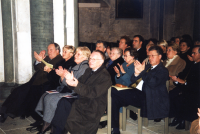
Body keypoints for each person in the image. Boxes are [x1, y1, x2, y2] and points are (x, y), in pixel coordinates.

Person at [111, 46, 169, 134]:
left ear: (160, 56)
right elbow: (134, 80)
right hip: (137, 93)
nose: (150, 58)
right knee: (114, 95)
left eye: (153, 56)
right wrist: (136, 73)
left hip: (148, 97)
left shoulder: (163, 70)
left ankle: (113, 124)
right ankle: (115, 129)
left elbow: (152, 83)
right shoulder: (147, 66)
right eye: (149, 56)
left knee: (114, 93)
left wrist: (142, 72)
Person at [51, 50, 112, 134]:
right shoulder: (89, 71)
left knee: (66, 109)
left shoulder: (105, 76)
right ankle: (57, 131)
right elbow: (78, 83)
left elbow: (93, 92)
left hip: (93, 104)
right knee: (63, 102)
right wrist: (69, 80)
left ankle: (59, 131)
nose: (90, 61)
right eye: (90, 58)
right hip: (83, 99)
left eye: (94, 59)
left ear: (101, 62)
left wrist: (76, 84)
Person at [0, 43, 63, 123]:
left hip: (45, 83)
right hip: (35, 81)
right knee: (17, 91)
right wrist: (37, 61)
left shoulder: (60, 59)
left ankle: (4, 113)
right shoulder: (47, 57)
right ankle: (5, 111)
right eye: (48, 50)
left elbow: (48, 67)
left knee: (21, 92)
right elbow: (36, 67)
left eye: (51, 50)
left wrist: (41, 61)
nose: (49, 52)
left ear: (57, 51)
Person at [35, 46, 91, 134]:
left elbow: (73, 84)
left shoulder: (84, 67)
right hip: (68, 89)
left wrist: (62, 76)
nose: (75, 56)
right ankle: (46, 124)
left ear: (85, 57)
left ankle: (52, 128)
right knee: (46, 95)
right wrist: (61, 75)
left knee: (51, 99)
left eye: (78, 54)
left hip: (75, 93)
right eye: (75, 53)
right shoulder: (78, 65)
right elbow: (63, 81)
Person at [24, 45, 76, 127]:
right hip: (55, 83)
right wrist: (47, 68)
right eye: (63, 51)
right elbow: (54, 74)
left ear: (71, 54)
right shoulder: (61, 62)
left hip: (61, 86)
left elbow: (59, 77)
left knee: (44, 93)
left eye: (65, 52)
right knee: (34, 92)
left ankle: (45, 120)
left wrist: (51, 71)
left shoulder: (72, 63)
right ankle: (41, 118)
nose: (63, 53)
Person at [170, 46, 200, 129]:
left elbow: (196, 84)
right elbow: (182, 75)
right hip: (187, 88)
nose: (192, 55)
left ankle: (182, 120)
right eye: (192, 53)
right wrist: (176, 79)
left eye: (194, 53)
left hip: (195, 92)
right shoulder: (192, 64)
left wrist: (185, 82)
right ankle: (178, 118)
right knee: (172, 95)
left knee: (181, 99)